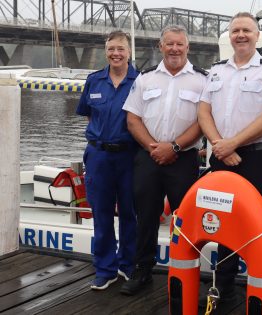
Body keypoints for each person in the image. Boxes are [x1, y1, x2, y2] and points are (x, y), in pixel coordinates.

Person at [197, 11, 262, 305]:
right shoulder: (216, 71)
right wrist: (219, 144)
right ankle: (223, 290)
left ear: (257, 35)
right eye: (236, 31)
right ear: (230, 36)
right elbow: (203, 112)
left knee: (260, 225)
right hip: (222, 157)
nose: (241, 35)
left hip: (256, 160)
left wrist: (231, 143)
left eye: (247, 30)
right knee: (222, 225)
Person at [120, 25, 208, 295]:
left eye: (179, 44)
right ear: (161, 47)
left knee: (184, 218)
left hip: (183, 159)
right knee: (145, 216)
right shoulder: (145, 79)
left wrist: (174, 147)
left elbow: (202, 122)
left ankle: (184, 272)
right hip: (149, 156)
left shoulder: (202, 80)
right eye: (169, 44)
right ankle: (142, 271)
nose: (174, 49)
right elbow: (132, 119)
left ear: (187, 47)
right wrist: (154, 147)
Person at [76, 30, 139, 290]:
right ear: (106, 51)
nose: (116, 53)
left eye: (120, 49)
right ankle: (105, 268)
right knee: (101, 213)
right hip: (99, 155)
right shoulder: (94, 81)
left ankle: (127, 265)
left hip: (129, 155)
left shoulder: (140, 81)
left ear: (129, 52)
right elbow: (88, 114)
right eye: (111, 48)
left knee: (130, 212)